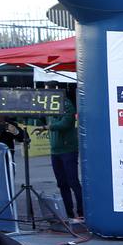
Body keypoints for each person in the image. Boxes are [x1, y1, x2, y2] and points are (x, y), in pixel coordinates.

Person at [47, 92, 82, 222]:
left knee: (73, 181)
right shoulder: (49, 106)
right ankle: (68, 213)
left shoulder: (67, 105)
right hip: (55, 151)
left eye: (47, 91)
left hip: (68, 149)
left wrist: (49, 126)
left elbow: (66, 123)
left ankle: (81, 211)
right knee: (62, 183)